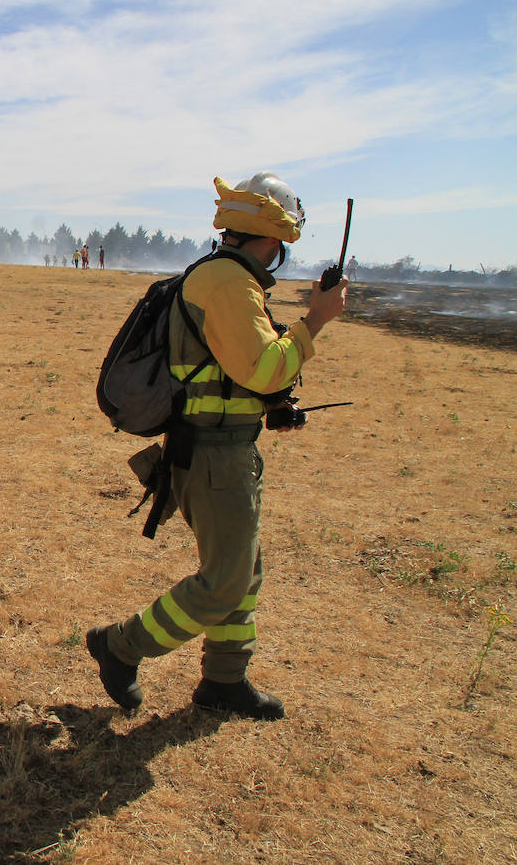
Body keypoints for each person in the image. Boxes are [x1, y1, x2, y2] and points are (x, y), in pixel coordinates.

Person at [86, 171, 348, 720]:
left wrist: (273, 404)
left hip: (222, 447)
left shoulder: (225, 277)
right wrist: (315, 322)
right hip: (213, 454)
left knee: (243, 570)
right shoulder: (229, 282)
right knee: (224, 580)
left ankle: (225, 679)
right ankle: (119, 647)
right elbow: (263, 365)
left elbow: (238, 370)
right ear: (274, 237)